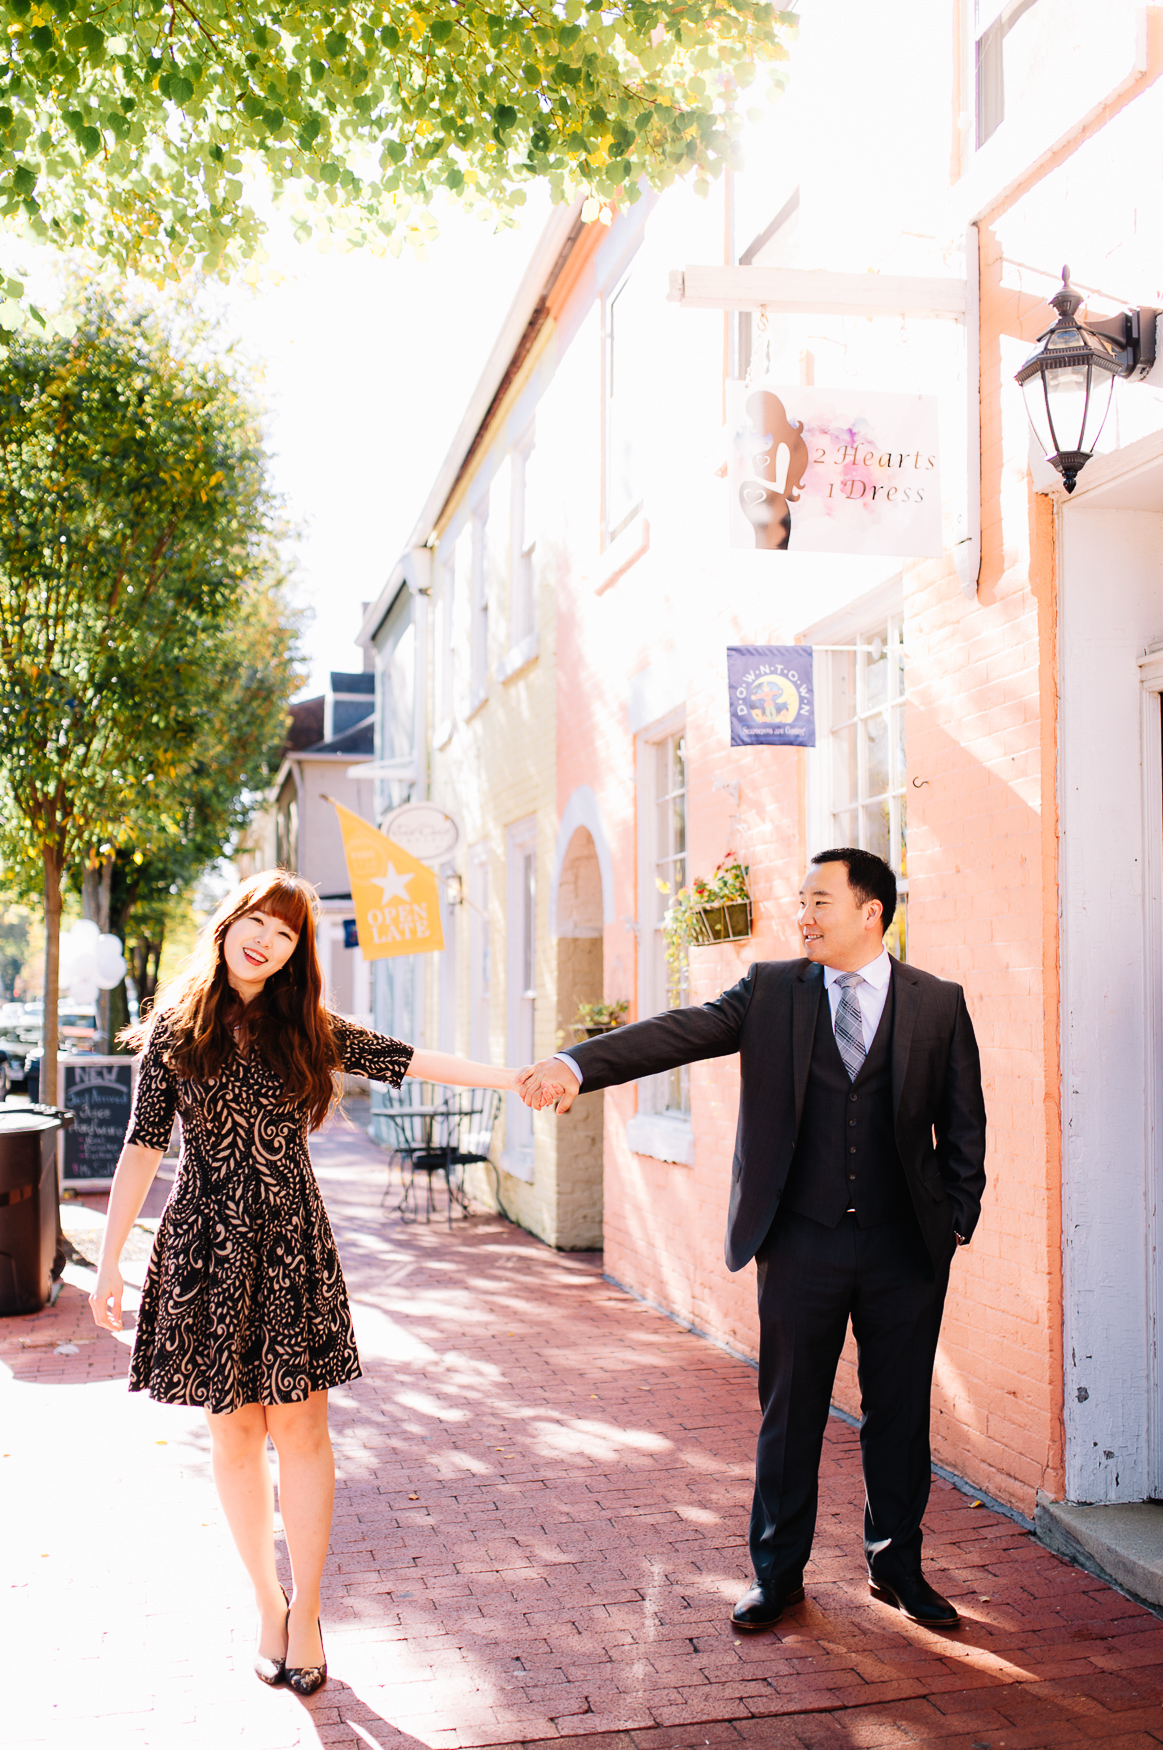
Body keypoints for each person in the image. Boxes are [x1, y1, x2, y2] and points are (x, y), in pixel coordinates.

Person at [517, 847, 986, 1633]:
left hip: (905, 1248)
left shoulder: (936, 1003)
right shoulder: (772, 991)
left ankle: (895, 1565)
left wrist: (955, 1220)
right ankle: (777, 1574)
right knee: (789, 1412)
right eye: (800, 901)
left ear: (869, 912)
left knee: (900, 1416)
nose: (802, 915)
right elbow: (678, 1032)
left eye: (818, 902)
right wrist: (575, 1062)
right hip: (799, 1243)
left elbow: (962, 1123)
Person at [90, 870, 519, 1694]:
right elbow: (143, 1147)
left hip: (290, 1246)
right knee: (233, 1435)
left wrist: (516, 1079)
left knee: (302, 1431)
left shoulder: (305, 1028)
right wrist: (108, 1262)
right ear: (226, 923)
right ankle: (267, 1602)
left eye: (284, 934)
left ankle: (312, 1606)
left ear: (295, 954)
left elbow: (410, 1058)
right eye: (255, 920)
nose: (265, 939)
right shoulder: (175, 1030)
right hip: (204, 1250)